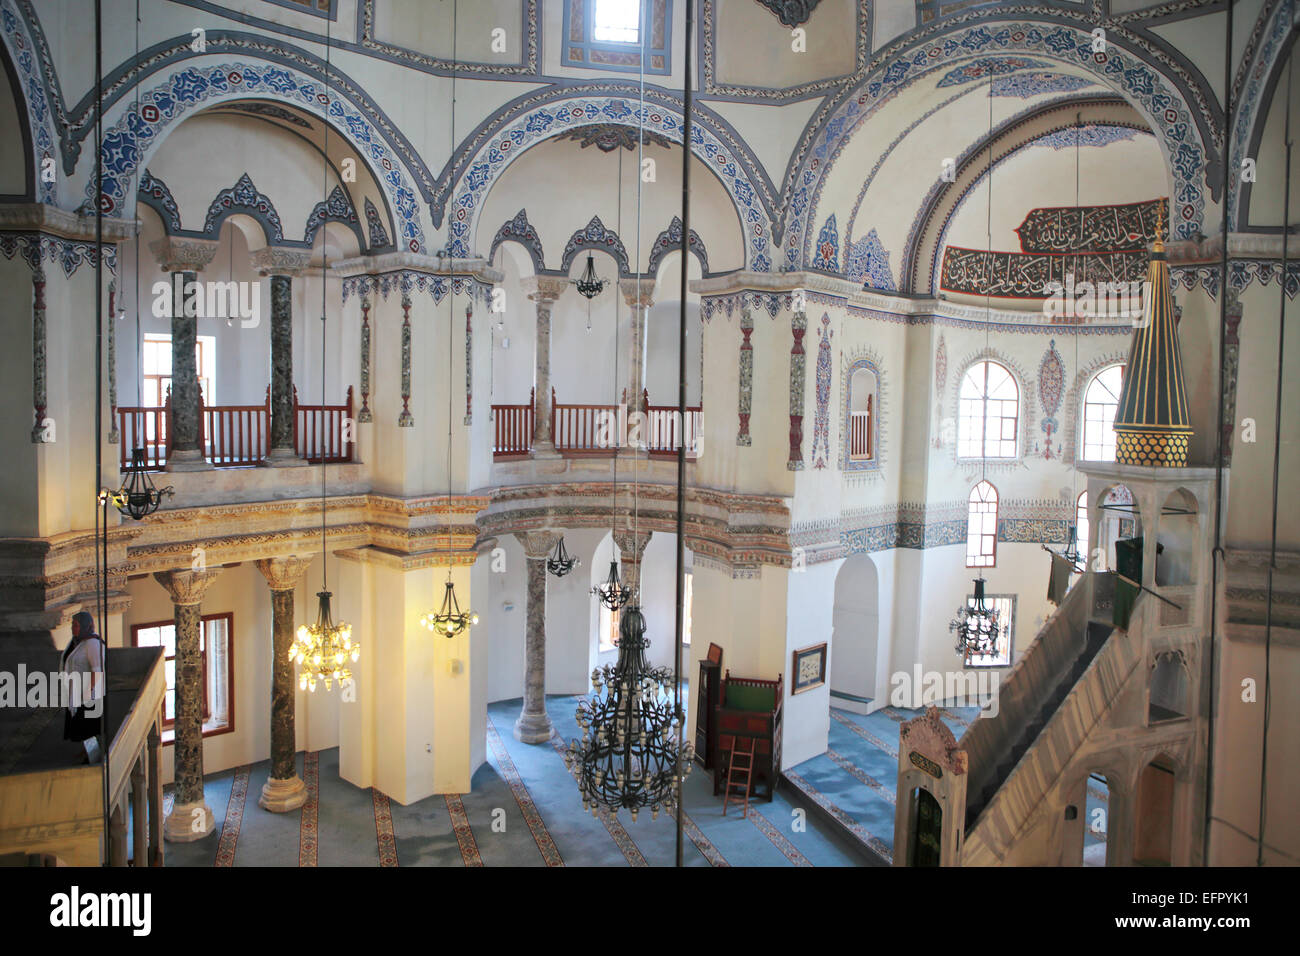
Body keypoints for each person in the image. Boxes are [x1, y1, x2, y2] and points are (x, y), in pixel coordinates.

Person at [61, 610, 105, 763]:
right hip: (77, 692)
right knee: (81, 726)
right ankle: (86, 752)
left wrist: (87, 693)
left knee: (88, 728)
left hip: (88, 695)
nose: (73, 628)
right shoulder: (78, 643)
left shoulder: (92, 643)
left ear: (85, 625)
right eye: (73, 624)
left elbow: (97, 670)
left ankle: (92, 757)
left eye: (76, 625)